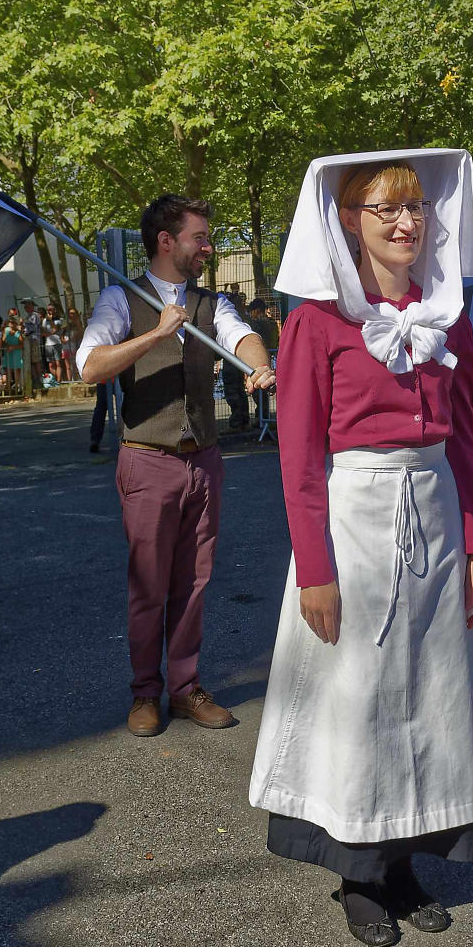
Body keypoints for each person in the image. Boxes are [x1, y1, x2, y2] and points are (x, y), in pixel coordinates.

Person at [249, 151, 473, 947]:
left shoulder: (449, 316)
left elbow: (466, 440)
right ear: (350, 222)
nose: (405, 222)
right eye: (385, 208)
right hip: (353, 523)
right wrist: (314, 571)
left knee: (429, 693)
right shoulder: (316, 322)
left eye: (415, 207)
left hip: (435, 514)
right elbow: (298, 458)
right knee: (359, 696)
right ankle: (358, 874)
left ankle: (405, 865)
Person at [76, 194, 274, 737]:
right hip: (147, 460)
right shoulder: (120, 298)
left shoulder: (211, 302)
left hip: (203, 461)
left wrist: (258, 366)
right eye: (199, 238)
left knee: (194, 582)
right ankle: (145, 691)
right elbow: (90, 366)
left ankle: (185, 688)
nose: (208, 247)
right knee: (149, 586)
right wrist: (157, 334)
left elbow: (243, 337)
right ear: (167, 242)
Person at [218, 292, 251, 430]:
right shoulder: (242, 316)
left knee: (232, 389)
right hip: (237, 357)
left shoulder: (233, 316)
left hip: (231, 357)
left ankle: (238, 421)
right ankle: (242, 419)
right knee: (238, 389)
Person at [247, 298, 280, 430]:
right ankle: (263, 417)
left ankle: (261, 418)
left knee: (258, 391)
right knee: (263, 391)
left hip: (258, 359)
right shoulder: (272, 323)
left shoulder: (258, 324)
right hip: (269, 356)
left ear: (256, 310)